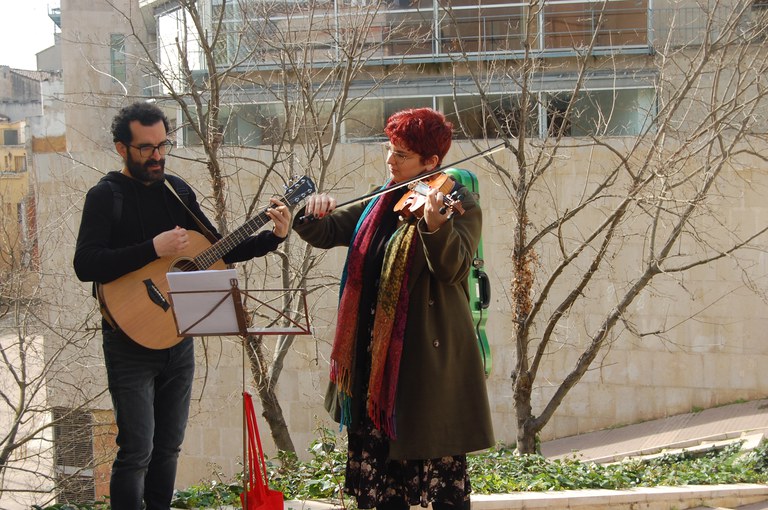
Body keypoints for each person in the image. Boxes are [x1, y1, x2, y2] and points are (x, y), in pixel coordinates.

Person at [73, 101, 291, 510]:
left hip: (178, 336)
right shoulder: (105, 196)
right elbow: (86, 265)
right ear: (122, 148)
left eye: (163, 145)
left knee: (169, 447)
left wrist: (273, 237)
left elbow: (219, 248)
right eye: (146, 148)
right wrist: (151, 249)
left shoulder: (178, 191)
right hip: (128, 341)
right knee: (136, 449)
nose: (158, 156)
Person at [293, 107, 494, 510]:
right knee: (382, 492)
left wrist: (435, 226)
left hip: (425, 369)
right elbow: (327, 229)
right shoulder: (381, 202)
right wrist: (309, 211)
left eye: (401, 155)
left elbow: (453, 268)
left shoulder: (459, 203)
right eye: (389, 149)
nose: (390, 160)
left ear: (431, 162)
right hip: (375, 369)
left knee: (442, 490)